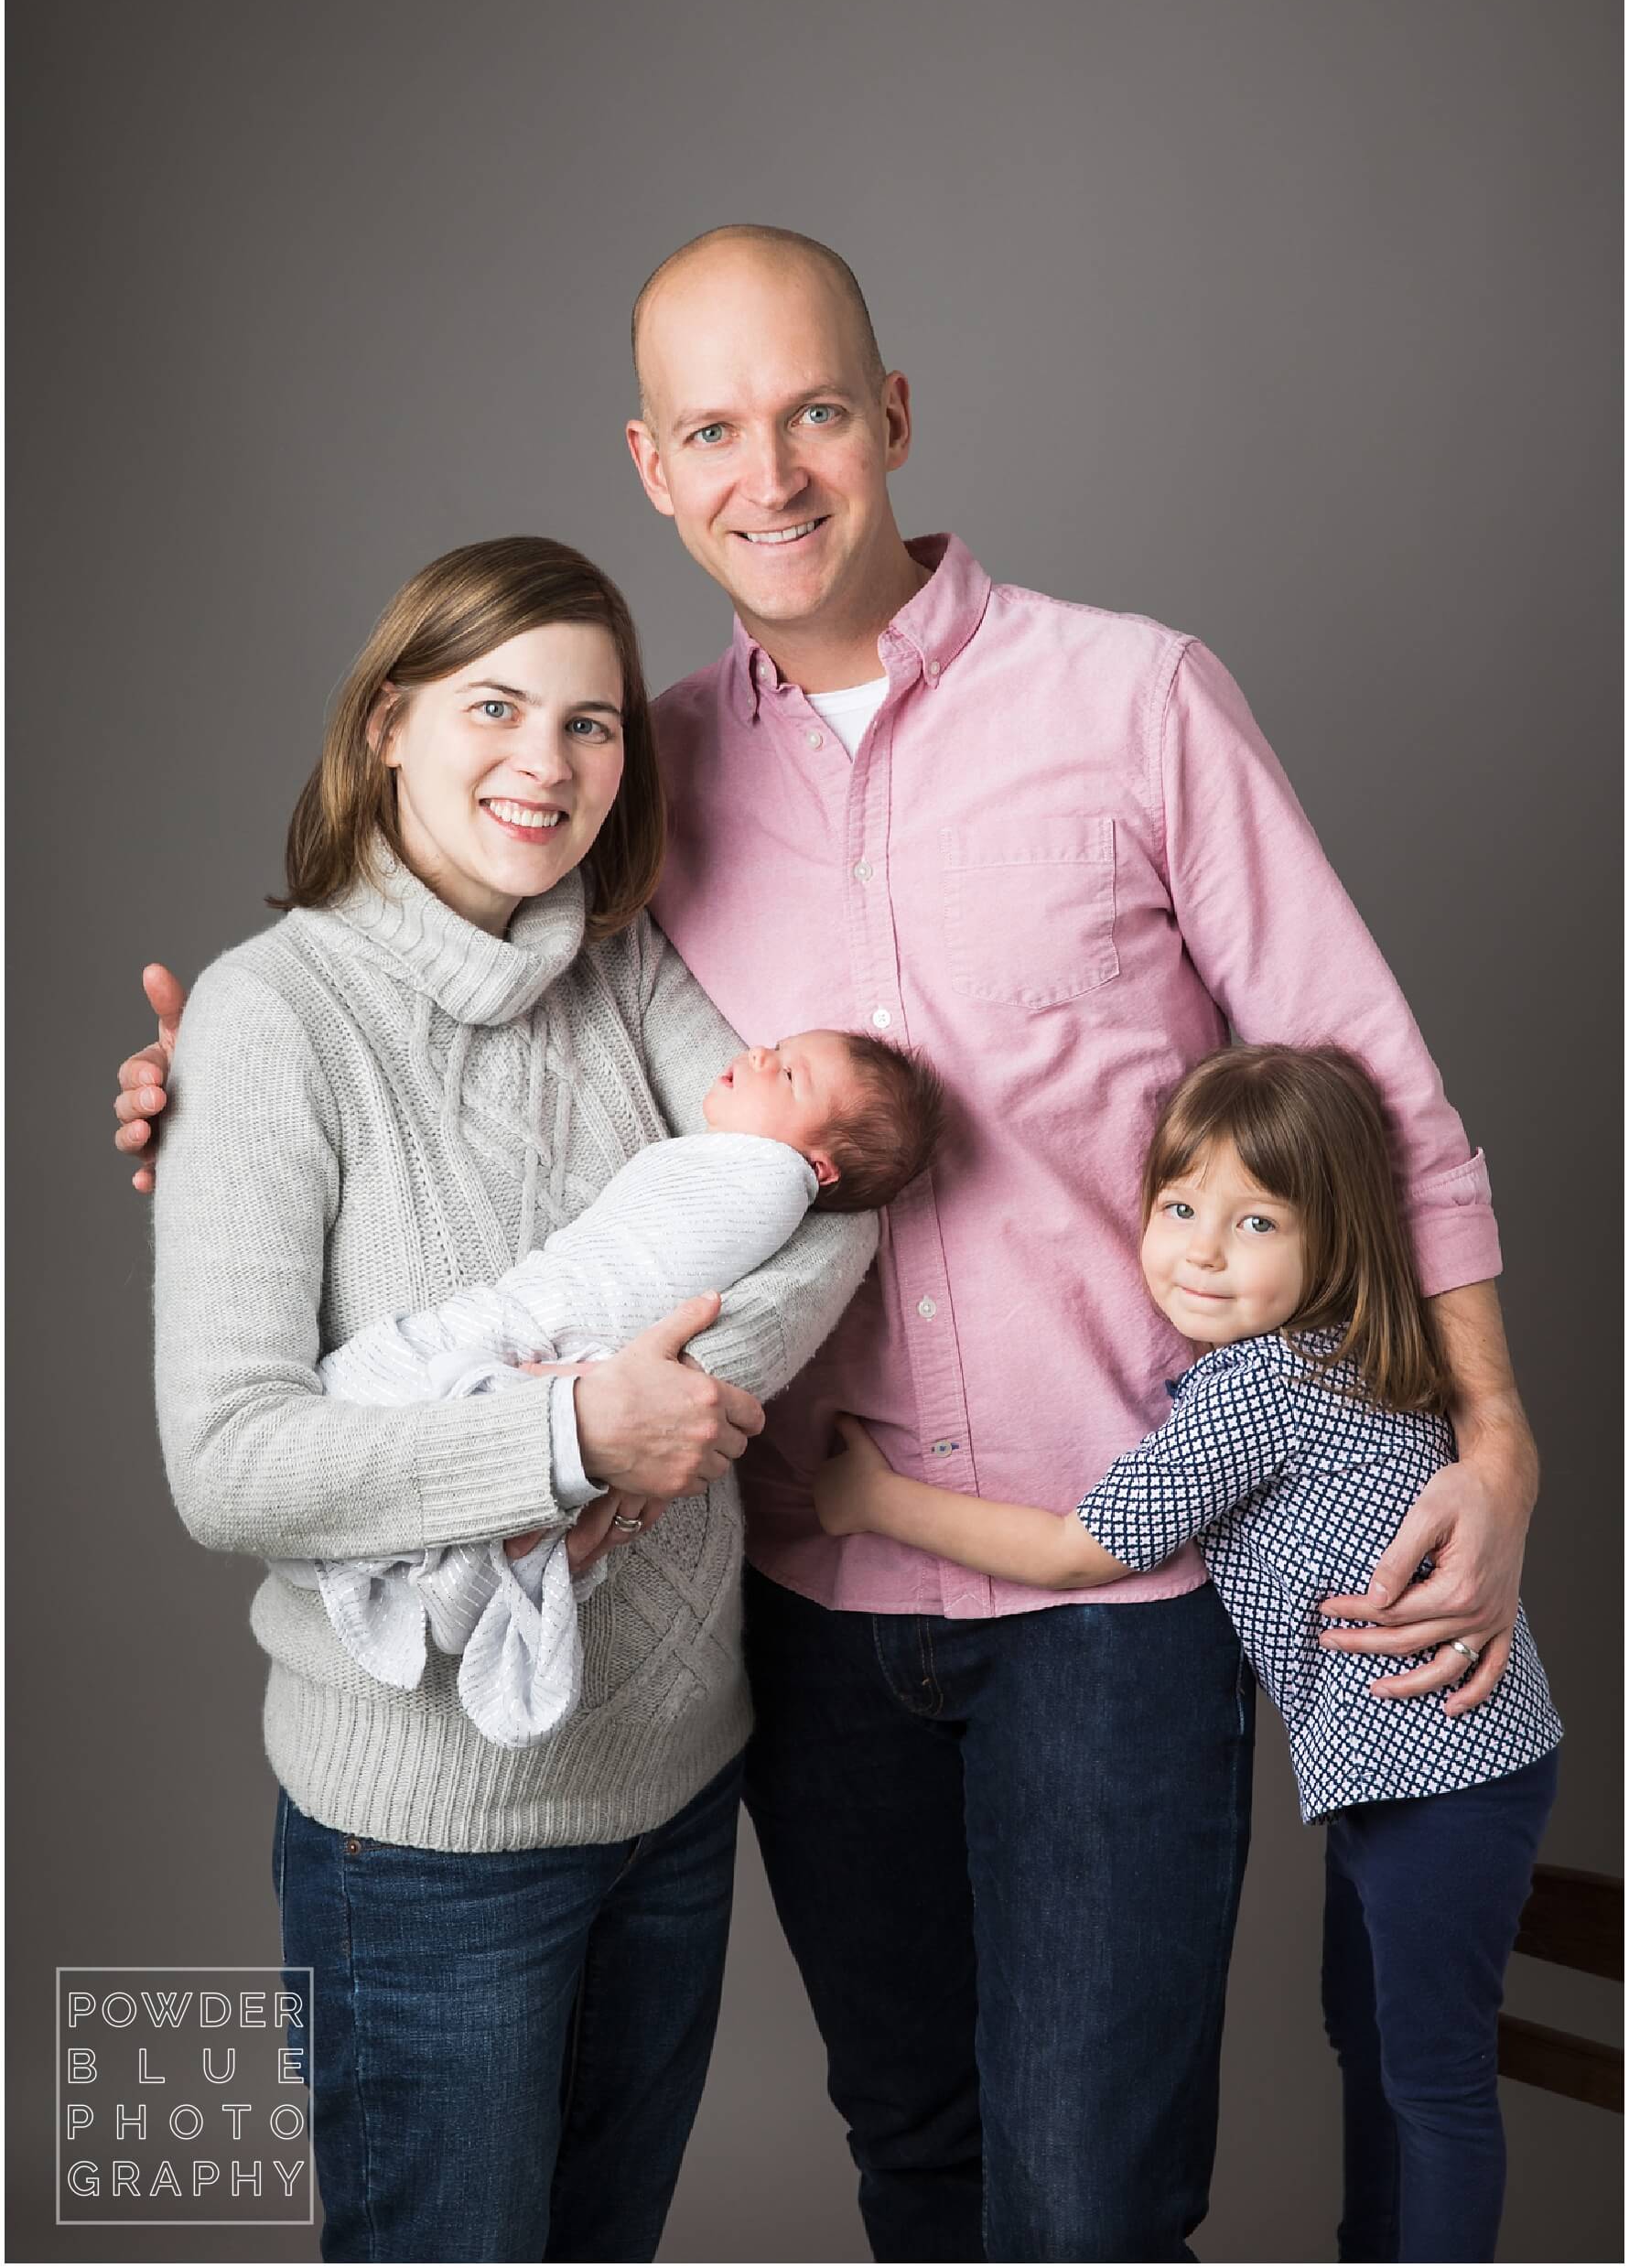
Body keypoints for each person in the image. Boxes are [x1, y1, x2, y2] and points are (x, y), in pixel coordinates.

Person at [119, 228, 1540, 2263]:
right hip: (799, 1602)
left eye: (806, 413)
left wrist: (1493, 1444)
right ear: (651, 465)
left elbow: (1378, 1091)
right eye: (712, 429)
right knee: (917, 2164)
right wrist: (222, 1080)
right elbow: (487, 1037)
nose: (766, 473)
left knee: (1090, 2206)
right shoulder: (642, 772)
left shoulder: (1132, 698)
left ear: (889, 418)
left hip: (1110, 1590)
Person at [148, 534, 879, 2263]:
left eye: (595, 724)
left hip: (679, 1785)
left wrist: (662, 1402)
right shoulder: (269, 1022)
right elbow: (230, 1462)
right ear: (388, 723)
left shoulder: (626, 968)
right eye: (494, 707)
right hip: (426, 1843)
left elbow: (828, 1198)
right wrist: (567, 1439)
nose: (545, 766)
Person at [814, 1042, 1561, 2264]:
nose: (1205, 1248)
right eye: (1179, 1206)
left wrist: (872, 1499)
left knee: (1424, 2073)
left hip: (1447, 1770)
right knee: (1376, 2045)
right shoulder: (1342, 1360)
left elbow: (1074, 1549)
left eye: (1257, 1217)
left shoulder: (1262, 1388)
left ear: (1338, 1241)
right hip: (1438, 1768)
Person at [284, 1028, 943, 1749]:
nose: (759, 1055)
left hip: (552, 1339)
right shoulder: (743, 1162)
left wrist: (605, 1401)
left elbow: (637, 1281)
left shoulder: (762, 1180)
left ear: (816, 1168)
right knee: (346, 1447)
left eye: (788, 1076)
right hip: (556, 1355)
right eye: (775, 1047)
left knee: (372, 1395)